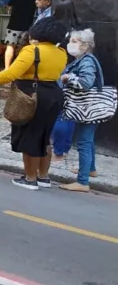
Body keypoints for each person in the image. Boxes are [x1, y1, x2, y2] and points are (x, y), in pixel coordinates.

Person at [0, 18, 68, 191]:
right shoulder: (61, 52)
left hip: (32, 94)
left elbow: (11, 73)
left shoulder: (31, 51)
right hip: (53, 94)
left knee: (30, 136)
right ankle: (43, 177)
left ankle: (30, 178)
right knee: (45, 137)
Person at [58, 29, 103, 192]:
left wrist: (68, 77)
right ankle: (90, 169)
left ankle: (82, 182)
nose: (71, 44)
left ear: (85, 45)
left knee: (84, 142)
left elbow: (86, 83)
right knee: (88, 141)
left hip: (87, 108)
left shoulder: (87, 61)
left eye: (75, 41)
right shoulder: (84, 59)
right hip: (89, 108)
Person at [50, 0, 81, 161]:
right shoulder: (80, 30)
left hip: (61, 70)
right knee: (70, 112)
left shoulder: (59, 31)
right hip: (78, 71)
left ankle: (58, 150)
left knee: (59, 112)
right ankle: (65, 147)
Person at [4, 0, 35, 69]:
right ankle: (19, 68)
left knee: (10, 47)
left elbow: (9, 5)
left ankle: (7, 68)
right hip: (26, 26)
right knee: (22, 48)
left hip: (13, 25)